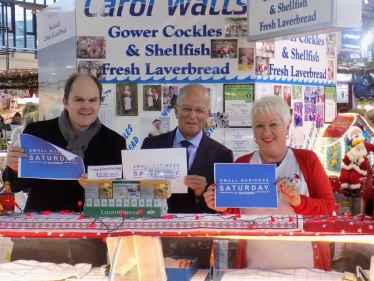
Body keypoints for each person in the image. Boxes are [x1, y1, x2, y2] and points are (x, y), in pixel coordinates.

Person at [3, 73, 127, 266]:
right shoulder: (37, 133)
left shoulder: (115, 142)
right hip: (38, 241)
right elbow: (17, 185)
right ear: (65, 102)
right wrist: (12, 168)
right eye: (79, 99)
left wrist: (97, 188)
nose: (87, 106)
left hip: (90, 244)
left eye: (93, 100)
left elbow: (119, 196)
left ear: (99, 103)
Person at [203, 95, 335, 270]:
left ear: (287, 127)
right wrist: (223, 207)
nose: (266, 132)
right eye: (259, 126)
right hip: (255, 265)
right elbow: (238, 213)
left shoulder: (307, 160)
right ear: (253, 131)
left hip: (306, 265)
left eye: (273, 124)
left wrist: (300, 202)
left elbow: (328, 208)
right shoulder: (242, 164)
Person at [141, 84, 234, 213]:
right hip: (155, 227)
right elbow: (138, 193)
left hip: (200, 231)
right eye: (186, 109)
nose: (192, 115)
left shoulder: (223, 155)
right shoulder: (150, 145)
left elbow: (225, 209)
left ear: (207, 114)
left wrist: (203, 192)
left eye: (199, 111)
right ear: (176, 111)